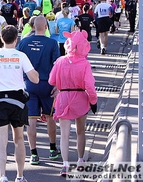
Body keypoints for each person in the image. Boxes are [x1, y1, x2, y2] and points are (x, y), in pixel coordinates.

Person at [0, 25, 39, 182]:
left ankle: (3, 176)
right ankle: (19, 176)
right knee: (19, 139)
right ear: (16, 39)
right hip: (17, 99)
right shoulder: (20, 56)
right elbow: (35, 78)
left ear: (2, 38)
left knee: (1, 141)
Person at [48, 30, 97, 176]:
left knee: (64, 134)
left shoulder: (60, 61)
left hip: (63, 97)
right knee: (80, 131)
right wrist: (93, 101)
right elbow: (90, 85)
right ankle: (81, 160)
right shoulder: (85, 64)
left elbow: (51, 80)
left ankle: (65, 164)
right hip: (80, 97)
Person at [17, 17, 61, 165]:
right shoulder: (52, 43)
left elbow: (17, 62)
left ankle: (34, 153)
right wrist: (57, 84)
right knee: (50, 117)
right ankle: (52, 149)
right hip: (47, 84)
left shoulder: (24, 42)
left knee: (31, 119)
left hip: (29, 84)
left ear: (33, 27)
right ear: (46, 26)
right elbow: (57, 65)